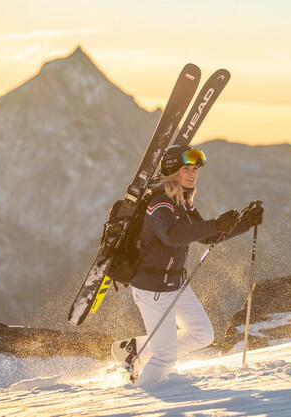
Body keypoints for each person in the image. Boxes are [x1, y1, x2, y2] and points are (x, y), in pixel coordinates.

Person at [112, 144, 263, 385]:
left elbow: (206, 236)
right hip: (152, 289)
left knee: (202, 334)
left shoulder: (182, 201)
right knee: (165, 356)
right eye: (186, 169)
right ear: (173, 171)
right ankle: (139, 401)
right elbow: (172, 234)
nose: (193, 174)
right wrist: (215, 224)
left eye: (195, 169)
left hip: (175, 283)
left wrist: (243, 224)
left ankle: (135, 348)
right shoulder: (159, 203)